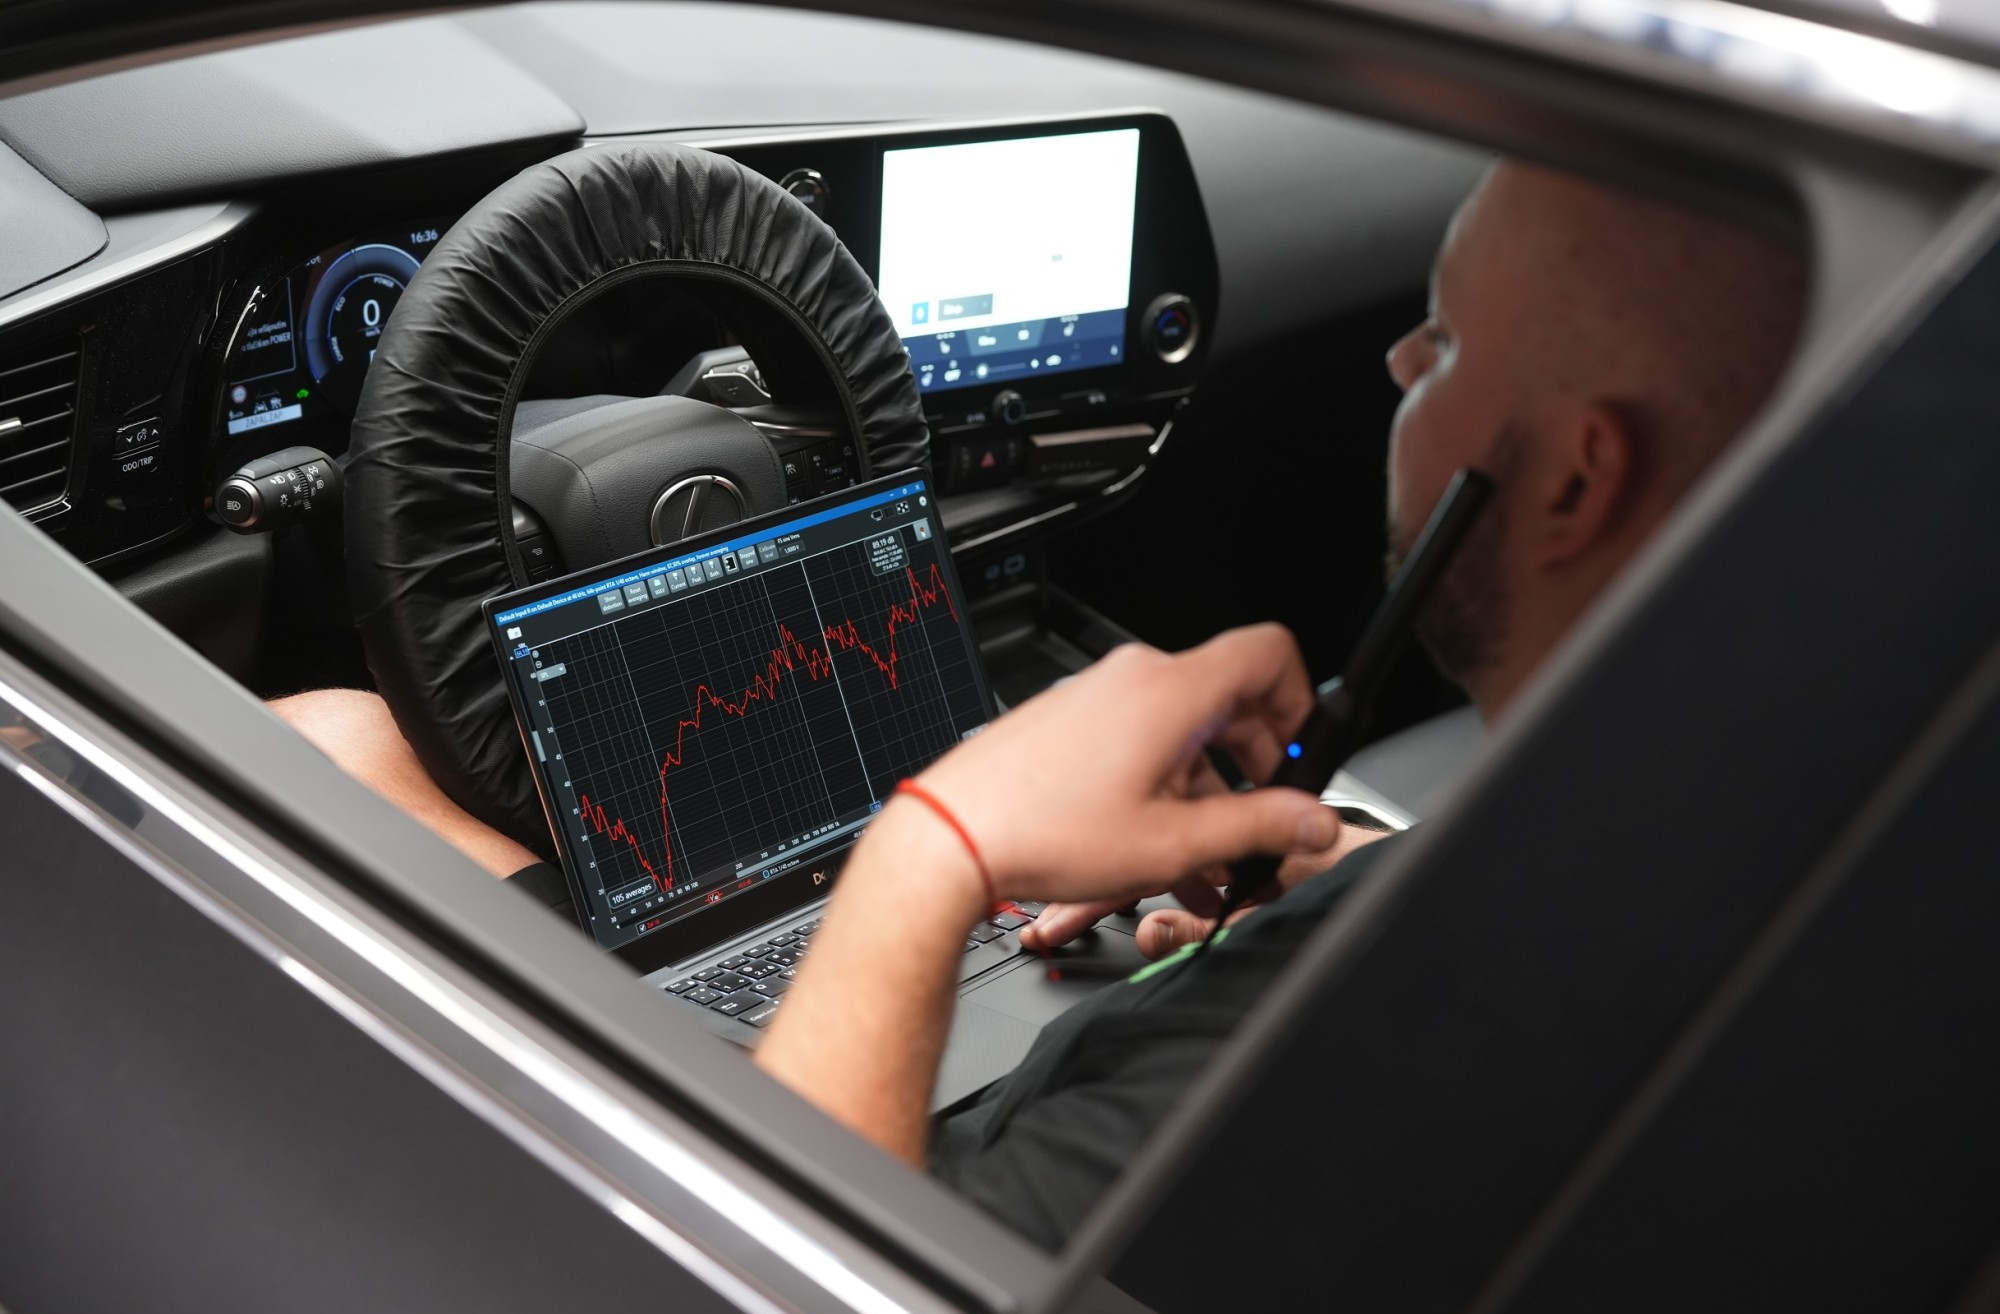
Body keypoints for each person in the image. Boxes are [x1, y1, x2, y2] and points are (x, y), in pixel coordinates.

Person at [271, 160, 1806, 1250]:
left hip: (828, 1188)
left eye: (1450, 342)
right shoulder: (1684, 861)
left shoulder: (1378, 1055)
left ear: (1578, 483)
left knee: (323, 742)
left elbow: (760, 1276)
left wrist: (940, 843)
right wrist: (1352, 887)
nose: (1400, 356)